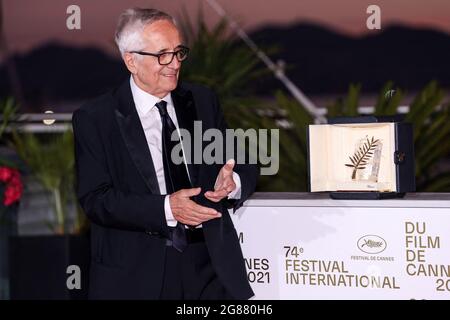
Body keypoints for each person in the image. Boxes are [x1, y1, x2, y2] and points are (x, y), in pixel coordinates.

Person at [72, 8, 259, 300]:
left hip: (208, 268)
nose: (174, 63)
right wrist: (167, 209)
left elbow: (244, 160)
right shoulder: (96, 118)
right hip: (135, 274)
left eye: (178, 52)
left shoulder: (202, 101)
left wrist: (232, 181)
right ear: (131, 60)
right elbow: (96, 200)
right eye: (162, 55)